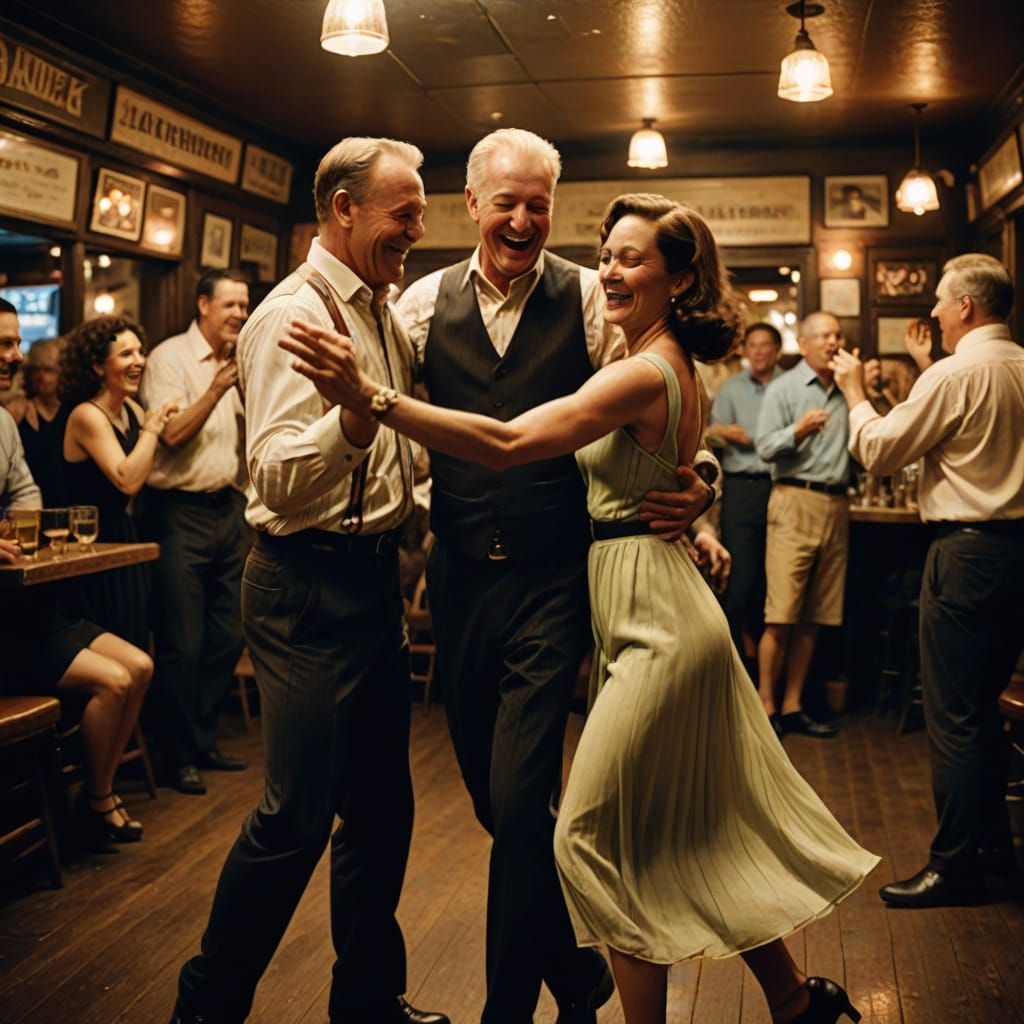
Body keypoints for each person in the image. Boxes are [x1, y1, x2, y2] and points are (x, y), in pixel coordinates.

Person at [284, 192, 878, 1024]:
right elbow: (660, 461)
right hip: (638, 610)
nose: (610, 270)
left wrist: (369, 397)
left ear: (678, 278)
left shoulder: (641, 367)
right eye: (608, 255)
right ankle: (796, 1000)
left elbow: (511, 443)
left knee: (593, 840)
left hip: (660, 631)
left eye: (633, 259)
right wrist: (693, 491)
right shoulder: (641, 355)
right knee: (689, 828)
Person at [393, 129, 714, 1024]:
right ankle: (575, 977)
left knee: (525, 791)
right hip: (458, 577)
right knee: (500, 804)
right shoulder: (420, 307)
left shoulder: (585, 298)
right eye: (509, 203)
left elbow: (656, 422)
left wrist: (702, 491)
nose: (526, 219)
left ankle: (509, 1011)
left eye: (540, 204)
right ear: (472, 206)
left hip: (553, 578)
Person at [171, 137, 448, 1024]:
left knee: (381, 812)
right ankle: (204, 1009)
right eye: (402, 212)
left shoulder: (378, 306)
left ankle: (367, 1002)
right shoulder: (293, 316)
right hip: (302, 587)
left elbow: (394, 436)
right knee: (296, 819)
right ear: (344, 209)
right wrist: (356, 424)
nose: (416, 228)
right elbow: (280, 477)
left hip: (369, 578)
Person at [831, 253, 1024, 908]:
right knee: (988, 705)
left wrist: (856, 392)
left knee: (956, 717)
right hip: (1017, 555)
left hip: (966, 555)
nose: (935, 312)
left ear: (966, 306)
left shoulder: (958, 372)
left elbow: (880, 449)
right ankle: (996, 847)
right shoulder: (1017, 365)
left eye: (941, 301)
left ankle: (956, 866)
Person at [0, 299, 155, 845]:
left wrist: (14, 528)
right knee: (114, 680)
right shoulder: (79, 413)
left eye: (16, 343)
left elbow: (26, 495)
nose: (13, 356)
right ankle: (95, 797)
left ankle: (97, 793)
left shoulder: (2, 422)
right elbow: (125, 479)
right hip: (11, 625)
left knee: (139, 665)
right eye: (3, 345)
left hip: (30, 602)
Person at [139, 269, 251, 796]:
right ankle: (176, 755)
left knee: (230, 633)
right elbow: (173, 437)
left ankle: (203, 738)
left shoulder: (235, 362)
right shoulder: (168, 360)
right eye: (229, 305)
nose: (239, 314)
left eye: (244, 305)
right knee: (183, 643)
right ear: (203, 304)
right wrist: (215, 388)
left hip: (229, 509)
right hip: (177, 513)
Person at [754, 311, 851, 740]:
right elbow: (763, 447)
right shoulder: (784, 388)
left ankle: (793, 705)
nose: (834, 342)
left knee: (814, 617)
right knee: (781, 615)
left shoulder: (850, 390)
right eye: (825, 336)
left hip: (836, 506)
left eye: (838, 335)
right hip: (793, 501)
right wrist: (797, 430)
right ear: (806, 344)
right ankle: (765, 705)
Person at [61, 316, 178, 653]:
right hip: (90, 543)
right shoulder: (86, 415)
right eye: (126, 354)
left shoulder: (130, 408)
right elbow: (126, 478)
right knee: (111, 641)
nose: (139, 361)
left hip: (127, 534)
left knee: (136, 638)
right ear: (98, 366)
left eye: (140, 352)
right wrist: (153, 429)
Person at [706, 322, 783, 663]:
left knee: (775, 584)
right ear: (745, 351)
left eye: (765, 345)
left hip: (780, 488)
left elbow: (781, 438)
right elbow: (716, 433)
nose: (758, 351)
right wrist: (730, 432)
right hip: (739, 489)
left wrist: (750, 436)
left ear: (777, 349)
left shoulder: (789, 386)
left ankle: (768, 671)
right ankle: (738, 668)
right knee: (739, 581)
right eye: (752, 345)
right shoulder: (731, 387)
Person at [12, 337, 70, 507]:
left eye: (48, 370)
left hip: (69, 505)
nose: (41, 376)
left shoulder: (75, 410)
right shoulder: (18, 409)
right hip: (31, 504)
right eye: (36, 369)